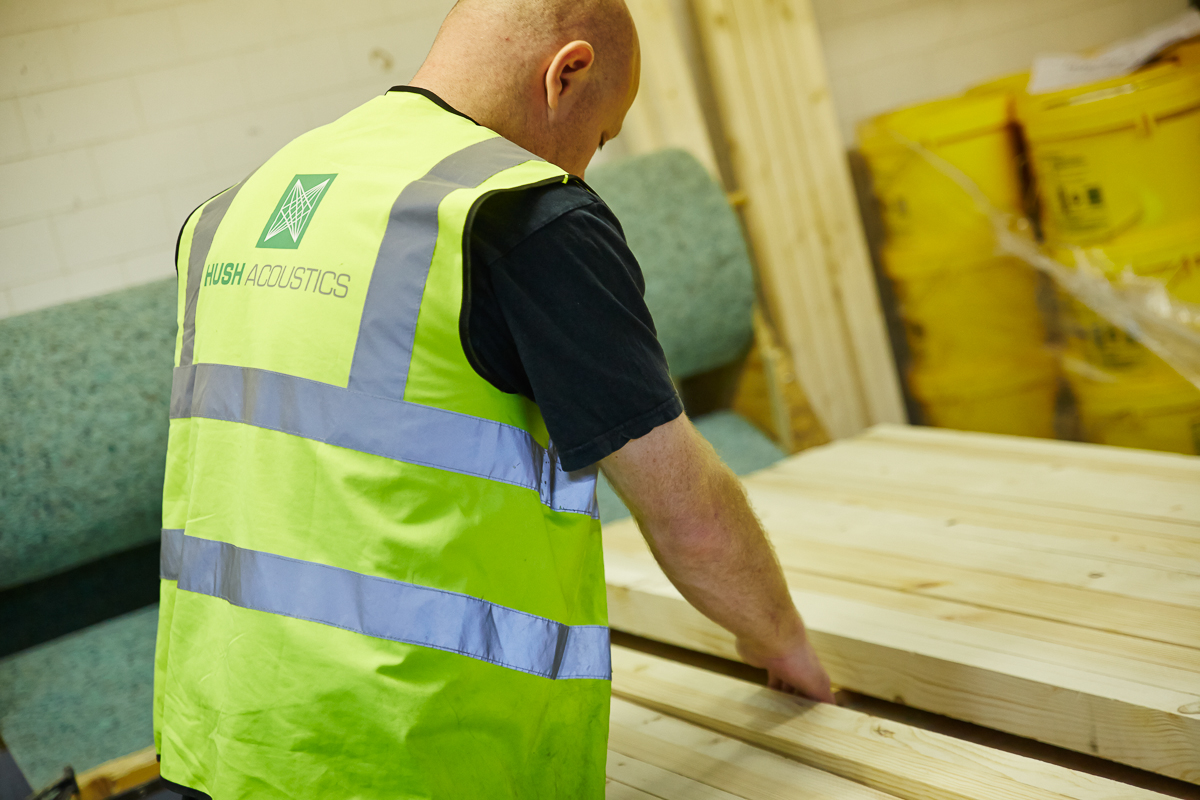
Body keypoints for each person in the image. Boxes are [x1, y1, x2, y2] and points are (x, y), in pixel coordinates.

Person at [154, 0, 833, 797]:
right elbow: (688, 513)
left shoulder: (234, 210)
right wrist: (781, 643)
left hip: (221, 740)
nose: (586, 167)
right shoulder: (519, 213)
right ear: (566, 73)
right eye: (601, 136)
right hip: (408, 757)